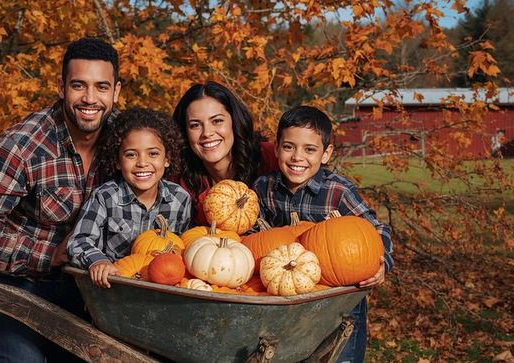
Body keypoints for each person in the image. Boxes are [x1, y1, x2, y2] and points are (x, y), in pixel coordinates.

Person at [0, 37, 121, 362]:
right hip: (20, 284)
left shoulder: (125, 140)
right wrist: (50, 254)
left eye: (101, 87)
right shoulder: (23, 144)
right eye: (78, 85)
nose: (90, 98)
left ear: (116, 91)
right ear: (61, 87)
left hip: (89, 290)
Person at [252, 106, 394, 363]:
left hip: (339, 302)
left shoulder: (338, 191)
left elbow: (376, 229)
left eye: (309, 149)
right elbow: (253, 234)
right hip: (289, 301)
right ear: (276, 148)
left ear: (326, 153)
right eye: (289, 147)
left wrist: (383, 263)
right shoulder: (265, 187)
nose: (297, 157)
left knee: (341, 357)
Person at [67, 107, 192, 288]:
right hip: (115, 288)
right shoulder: (105, 197)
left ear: (167, 159)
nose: (142, 163)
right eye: (131, 154)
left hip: (163, 289)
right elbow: (79, 241)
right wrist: (98, 261)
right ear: (117, 161)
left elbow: (184, 247)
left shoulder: (180, 199)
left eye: (153, 153)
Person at [172, 81, 278, 226]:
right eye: (195, 125)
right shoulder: (179, 178)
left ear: (234, 121)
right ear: (184, 132)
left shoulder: (270, 157)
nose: (207, 133)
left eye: (217, 121)